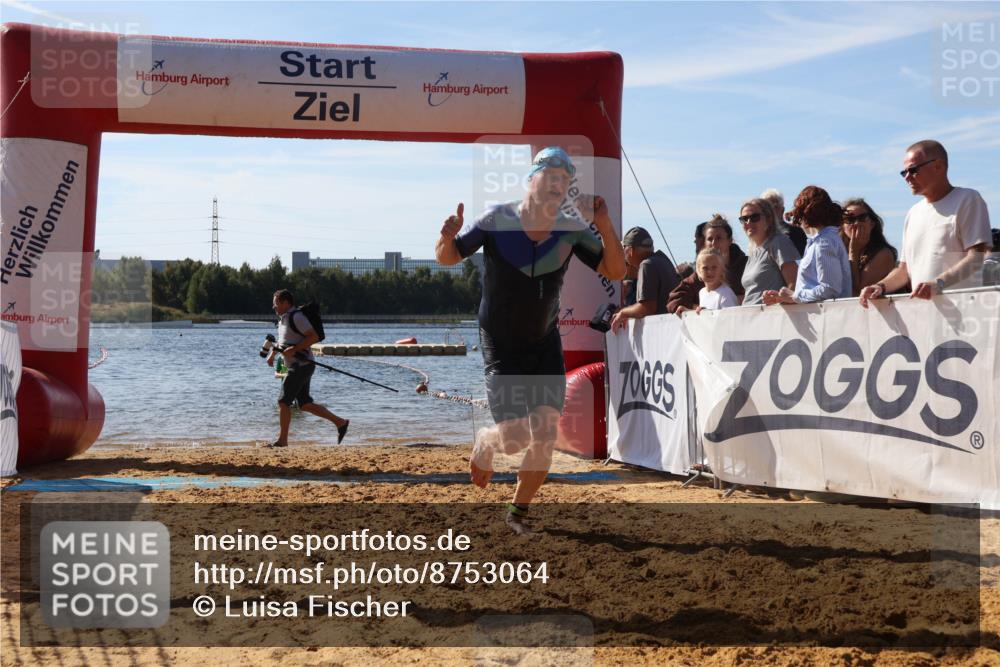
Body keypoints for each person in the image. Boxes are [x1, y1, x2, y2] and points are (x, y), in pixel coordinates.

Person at [435, 146, 626, 534]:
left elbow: (615, 270)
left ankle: (518, 513)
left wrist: (604, 224)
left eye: (565, 180)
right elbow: (448, 257)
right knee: (515, 436)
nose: (558, 184)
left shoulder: (571, 228)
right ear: (531, 179)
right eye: (551, 176)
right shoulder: (496, 220)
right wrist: (446, 236)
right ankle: (488, 440)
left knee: (545, 433)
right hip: (500, 342)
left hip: (543, 341)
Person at [860, 140, 992, 307]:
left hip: (964, 313)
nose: (907, 177)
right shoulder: (913, 213)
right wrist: (879, 286)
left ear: (938, 166)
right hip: (925, 317)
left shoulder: (968, 199)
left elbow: (977, 258)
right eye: (904, 172)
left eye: (913, 170)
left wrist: (938, 284)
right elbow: (904, 271)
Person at [265, 289, 349, 448]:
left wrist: (295, 349)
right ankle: (341, 423)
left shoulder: (297, 317)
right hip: (299, 366)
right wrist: (272, 355)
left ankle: (282, 441)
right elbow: (284, 343)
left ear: (285, 303)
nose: (273, 307)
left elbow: (314, 336)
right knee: (304, 404)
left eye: (276, 303)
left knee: (283, 402)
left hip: (301, 366)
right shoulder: (283, 319)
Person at [763, 185, 852, 305]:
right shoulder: (823, 240)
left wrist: (795, 296)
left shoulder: (824, 242)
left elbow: (830, 289)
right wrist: (787, 297)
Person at [667, 215, 748, 313]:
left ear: (729, 240)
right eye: (710, 239)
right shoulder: (701, 272)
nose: (714, 243)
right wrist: (698, 309)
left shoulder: (747, 265)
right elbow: (674, 300)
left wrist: (745, 298)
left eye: (719, 238)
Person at [608, 226, 680, 332]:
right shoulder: (664, 260)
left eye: (624, 248)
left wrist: (622, 313)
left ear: (631, 250)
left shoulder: (647, 264)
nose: (623, 253)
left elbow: (647, 307)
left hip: (660, 333)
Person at [739, 197, 800, 305]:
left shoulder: (779, 242)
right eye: (744, 219)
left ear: (769, 219)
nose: (748, 222)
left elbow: (794, 284)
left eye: (754, 217)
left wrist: (780, 299)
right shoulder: (753, 251)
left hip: (772, 318)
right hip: (750, 319)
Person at [840, 198, 898, 296]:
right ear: (842, 226)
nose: (856, 223)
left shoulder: (883, 253)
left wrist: (854, 252)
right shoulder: (839, 250)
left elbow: (859, 293)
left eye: (862, 218)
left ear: (872, 224)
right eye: (849, 219)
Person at [761, 188, 807, 255]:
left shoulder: (795, 232)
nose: (771, 211)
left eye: (775, 207)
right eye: (767, 207)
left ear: (782, 210)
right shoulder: (759, 235)